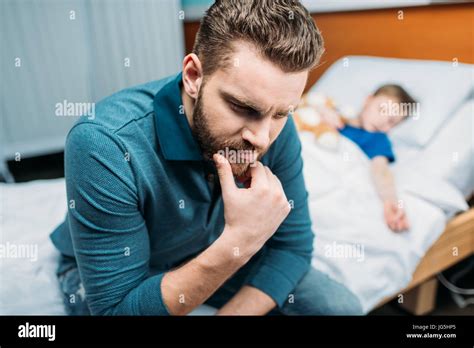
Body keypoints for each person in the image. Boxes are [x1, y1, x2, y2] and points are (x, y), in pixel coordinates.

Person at [50, 0, 362, 316]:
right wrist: (238, 241)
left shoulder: (272, 124)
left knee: (341, 309)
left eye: (282, 113)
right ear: (194, 76)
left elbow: (292, 248)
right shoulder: (104, 143)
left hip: (210, 249)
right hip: (127, 269)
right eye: (243, 107)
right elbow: (116, 310)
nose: (262, 138)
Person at [316, 84, 417, 232]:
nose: (383, 121)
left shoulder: (377, 139)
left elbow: (381, 170)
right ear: (368, 100)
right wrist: (320, 112)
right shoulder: (338, 115)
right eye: (382, 110)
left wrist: (391, 201)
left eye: (392, 122)